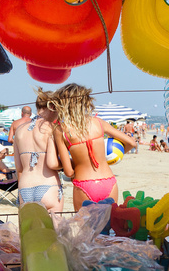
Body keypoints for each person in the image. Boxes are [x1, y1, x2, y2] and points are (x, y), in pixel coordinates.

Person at [50, 83, 137, 211]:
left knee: (84, 223)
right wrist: (111, 158)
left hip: (84, 183)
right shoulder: (98, 122)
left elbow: (68, 172)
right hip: (108, 181)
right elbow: (132, 143)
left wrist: (78, 162)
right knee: (109, 222)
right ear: (86, 101)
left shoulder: (61, 130)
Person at [13, 89, 62, 212]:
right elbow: (52, 163)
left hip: (25, 187)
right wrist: (66, 165)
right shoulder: (51, 128)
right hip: (48, 185)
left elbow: (19, 167)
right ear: (52, 107)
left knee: (29, 225)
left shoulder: (19, 130)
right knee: (55, 224)